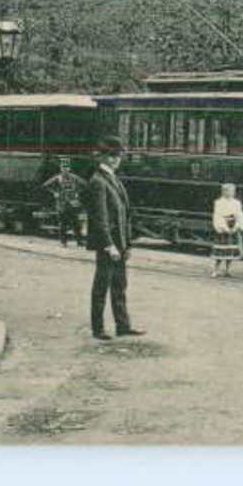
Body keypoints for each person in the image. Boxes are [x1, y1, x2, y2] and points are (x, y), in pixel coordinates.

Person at [86, 138, 144, 340]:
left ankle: (123, 325)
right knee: (101, 286)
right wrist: (109, 245)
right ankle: (98, 328)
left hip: (120, 243)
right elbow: (100, 218)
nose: (116, 159)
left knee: (120, 285)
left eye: (118, 155)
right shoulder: (98, 181)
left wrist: (127, 244)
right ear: (103, 157)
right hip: (108, 245)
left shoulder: (113, 179)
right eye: (112, 155)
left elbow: (124, 215)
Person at [42, 157, 86, 247]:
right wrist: (55, 192)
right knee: (63, 224)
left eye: (66, 167)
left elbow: (85, 184)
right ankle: (63, 242)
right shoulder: (58, 178)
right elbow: (45, 185)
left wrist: (78, 192)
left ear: (69, 168)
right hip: (62, 204)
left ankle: (79, 241)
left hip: (73, 203)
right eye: (63, 167)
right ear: (61, 168)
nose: (65, 169)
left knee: (76, 223)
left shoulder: (74, 177)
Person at [210, 183, 243, 278]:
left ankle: (227, 270)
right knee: (220, 252)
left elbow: (240, 215)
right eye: (230, 191)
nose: (232, 193)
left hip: (233, 226)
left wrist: (237, 226)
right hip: (223, 227)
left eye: (233, 191)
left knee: (231, 251)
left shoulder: (237, 203)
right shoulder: (218, 202)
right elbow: (217, 216)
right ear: (224, 192)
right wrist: (224, 228)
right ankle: (215, 270)